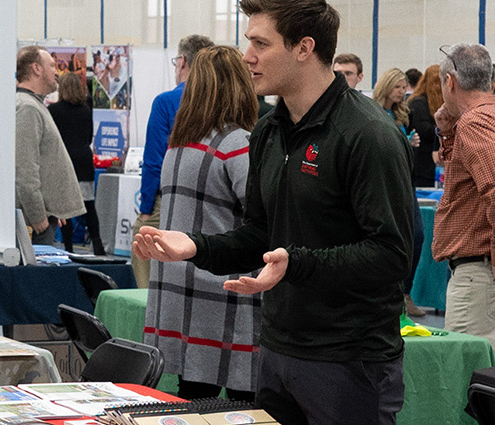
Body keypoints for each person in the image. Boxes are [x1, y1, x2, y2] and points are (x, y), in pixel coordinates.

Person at [133, 0, 414, 422]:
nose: (248, 56)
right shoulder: (269, 130)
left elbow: (393, 254)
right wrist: (194, 246)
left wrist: (297, 263)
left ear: (304, 47)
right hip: (278, 353)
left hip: (350, 361)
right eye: (249, 42)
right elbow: (262, 233)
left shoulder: (368, 134)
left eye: (261, 44)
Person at [144, 44, 261, 402]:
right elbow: (262, 219)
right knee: (244, 404)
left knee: (194, 397)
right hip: (225, 293)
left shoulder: (180, 146)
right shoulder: (237, 144)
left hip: (181, 291)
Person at [430, 43, 495, 364]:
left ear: (450, 82)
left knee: (466, 373)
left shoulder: (476, 123)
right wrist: (448, 132)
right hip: (487, 272)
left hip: (480, 273)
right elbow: (470, 183)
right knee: (492, 362)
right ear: (490, 83)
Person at [133, 34, 214, 285]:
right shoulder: (218, 102)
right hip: (208, 202)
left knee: (142, 247)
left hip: (167, 199)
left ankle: (146, 314)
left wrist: (146, 209)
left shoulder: (166, 102)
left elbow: (154, 160)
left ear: (182, 61)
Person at [14, 45, 86, 245]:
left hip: (44, 216)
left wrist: (55, 206)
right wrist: (38, 217)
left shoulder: (34, 105)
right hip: (35, 224)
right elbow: (25, 170)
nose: (57, 72)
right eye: (52, 66)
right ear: (36, 68)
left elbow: (46, 161)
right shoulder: (27, 108)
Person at [47, 71, 103, 253]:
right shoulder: (86, 110)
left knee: (65, 209)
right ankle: (98, 245)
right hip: (84, 160)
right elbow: (88, 136)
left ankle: (68, 248)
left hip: (65, 159)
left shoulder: (53, 111)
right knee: (88, 205)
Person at [407, 65, 442, 188]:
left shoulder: (421, 103)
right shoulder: (419, 103)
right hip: (422, 165)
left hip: (433, 166)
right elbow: (424, 129)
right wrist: (444, 129)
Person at [371, 68, 411, 137]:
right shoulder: (373, 111)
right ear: (386, 86)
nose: (401, 91)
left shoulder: (400, 113)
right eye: (397, 87)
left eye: (404, 88)